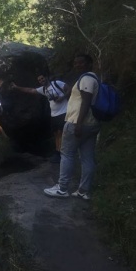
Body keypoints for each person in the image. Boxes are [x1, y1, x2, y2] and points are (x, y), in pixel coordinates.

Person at [44, 54, 100, 200]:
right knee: (87, 158)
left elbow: (86, 102)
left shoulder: (86, 79)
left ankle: (62, 189)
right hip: (92, 124)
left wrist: (79, 123)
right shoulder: (94, 79)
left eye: (81, 62)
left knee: (67, 154)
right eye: (75, 62)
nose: (77, 65)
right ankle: (83, 191)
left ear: (89, 64)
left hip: (77, 123)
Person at [10, 74, 70, 162]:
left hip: (63, 112)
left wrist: (62, 97)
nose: (42, 80)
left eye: (42, 78)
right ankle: (58, 153)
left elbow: (69, 89)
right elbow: (30, 90)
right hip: (54, 115)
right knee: (56, 134)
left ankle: (63, 153)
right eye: (39, 80)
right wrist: (17, 87)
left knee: (61, 133)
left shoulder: (57, 83)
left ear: (46, 77)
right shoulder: (43, 89)